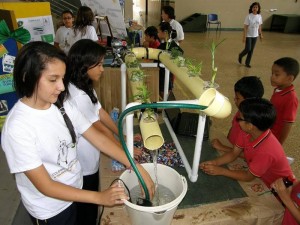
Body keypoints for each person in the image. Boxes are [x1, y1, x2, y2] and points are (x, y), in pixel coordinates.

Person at [1, 41, 154, 225]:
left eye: (62, 79)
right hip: (51, 209)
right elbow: (45, 186)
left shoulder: (62, 104)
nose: (62, 87)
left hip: (76, 189)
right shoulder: (18, 127)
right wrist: (99, 197)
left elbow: (97, 137)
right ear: (28, 76)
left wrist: (135, 166)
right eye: (52, 79)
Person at [66, 39, 142, 225]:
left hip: (91, 155)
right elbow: (99, 131)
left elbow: (100, 113)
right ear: (84, 66)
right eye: (98, 64)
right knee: (87, 207)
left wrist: (123, 137)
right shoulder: (78, 96)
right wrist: (126, 152)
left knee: (90, 202)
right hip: (83, 163)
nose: (102, 69)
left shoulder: (85, 85)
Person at [200, 98, 294, 189]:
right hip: (260, 174)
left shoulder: (266, 151)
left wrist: (221, 171)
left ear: (249, 126)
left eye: (239, 118)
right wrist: (214, 162)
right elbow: (234, 153)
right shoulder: (246, 131)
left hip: (280, 187)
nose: (237, 120)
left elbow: (248, 177)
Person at [211, 76, 264, 153]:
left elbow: (249, 154)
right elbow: (233, 128)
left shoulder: (253, 125)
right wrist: (226, 141)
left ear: (248, 101)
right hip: (230, 149)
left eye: (237, 98)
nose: (234, 99)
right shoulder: (241, 112)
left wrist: (223, 147)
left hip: (237, 156)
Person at [270, 57, 299, 145]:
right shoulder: (278, 89)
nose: (272, 77)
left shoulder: (291, 98)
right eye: (272, 73)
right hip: (267, 131)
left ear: (290, 78)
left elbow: (288, 124)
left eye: (277, 75)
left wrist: (279, 144)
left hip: (274, 137)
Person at [157, 22, 183, 98]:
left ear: (165, 32)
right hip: (164, 75)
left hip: (164, 76)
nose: (157, 34)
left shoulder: (169, 45)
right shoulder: (168, 44)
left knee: (165, 94)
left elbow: (180, 54)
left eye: (158, 31)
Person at [238, 2, 263, 68]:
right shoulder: (248, 16)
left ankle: (247, 63)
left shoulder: (259, 16)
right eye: (254, 7)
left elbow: (259, 26)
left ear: (258, 9)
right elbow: (245, 27)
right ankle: (240, 55)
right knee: (248, 49)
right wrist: (244, 37)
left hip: (255, 36)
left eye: (256, 7)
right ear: (251, 8)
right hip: (248, 35)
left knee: (251, 50)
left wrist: (260, 34)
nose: (255, 8)